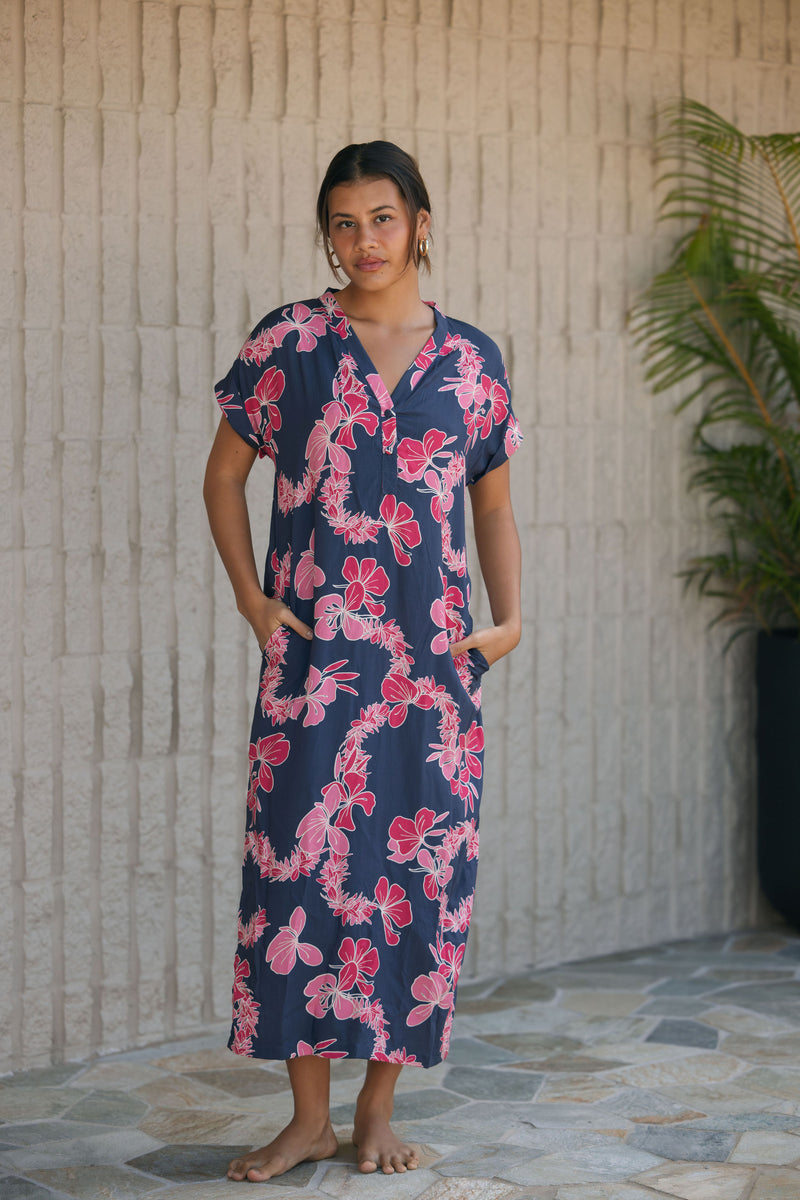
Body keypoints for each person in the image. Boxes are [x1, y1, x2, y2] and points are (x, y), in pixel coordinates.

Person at [203, 141, 522, 1183]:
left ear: (419, 222)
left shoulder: (472, 361)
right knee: (296, 877)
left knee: (414, 878)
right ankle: (306, 1118)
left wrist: (507, 618)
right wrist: (256, 601)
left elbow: (491, 503)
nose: (362, 240)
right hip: (317, 670)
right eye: (342, 222)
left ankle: (376, 1109)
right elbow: (223, 479)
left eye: (382, 218)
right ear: (325, 233)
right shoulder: (289, 343)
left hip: (430, 678)